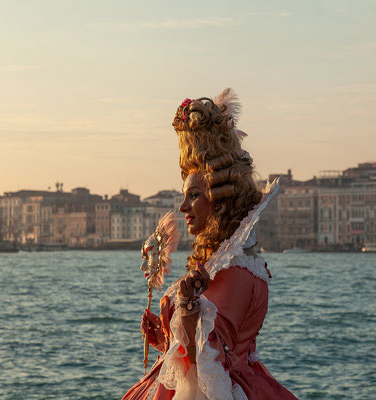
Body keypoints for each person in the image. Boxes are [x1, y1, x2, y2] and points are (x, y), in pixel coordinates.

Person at [122, 89, 297, 399]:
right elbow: (194, 350)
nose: (183, 208)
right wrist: (164, 337)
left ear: (218, 200)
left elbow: (208, 361)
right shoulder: (222, 264)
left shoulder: (235, 272)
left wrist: (187, 308)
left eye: (194, 196)